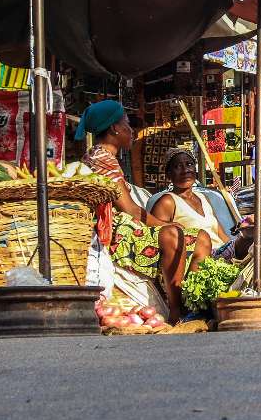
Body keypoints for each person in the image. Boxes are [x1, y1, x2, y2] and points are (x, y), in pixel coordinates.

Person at [78, 100, 189, 321]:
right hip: (114, 233)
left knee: (195, 236)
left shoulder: (102, 157)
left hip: (120, 226)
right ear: (114, 129)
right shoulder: (102, 159)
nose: (131, 130)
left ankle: (184, 305)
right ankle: (176, 311)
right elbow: (128, 208)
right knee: (175, 235)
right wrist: (165, 225)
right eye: (127, 124)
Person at [149, 147, 242, 316]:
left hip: (220, 255)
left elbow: (221, 235)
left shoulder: (204, 199)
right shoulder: (168, 201)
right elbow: (158, 237)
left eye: (189, 164)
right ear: (168, 174)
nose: (185, 170)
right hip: (197, 260)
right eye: (178, 166)